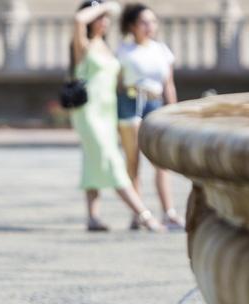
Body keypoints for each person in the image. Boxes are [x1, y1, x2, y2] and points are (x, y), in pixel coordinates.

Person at [70, 0, 164, 232]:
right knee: (112, 161)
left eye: (107, 19)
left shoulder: (107, 46)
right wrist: (105, 6)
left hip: (108, 112)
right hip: (89, 113)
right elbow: (78, 20)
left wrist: (142, 89)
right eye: (100, 18)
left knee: (93, 161)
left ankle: (93, 217)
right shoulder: (83, 44)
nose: (105, 22)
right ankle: (144, 215)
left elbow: (120, 83)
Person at [116, 3, 185, 230]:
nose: (149, 27)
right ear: (132, 26)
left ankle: (169, 211)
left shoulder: (161, 50)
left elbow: (169, 84)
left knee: (160, 161)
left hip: (155, 102)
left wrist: (174, 112)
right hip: (131, 102)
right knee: (133, 161)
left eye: (152, 22)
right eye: (144, 22)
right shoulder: (123, 51)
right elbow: (116, 83)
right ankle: (139, 213)